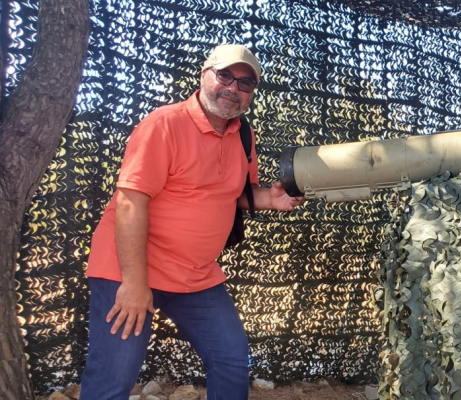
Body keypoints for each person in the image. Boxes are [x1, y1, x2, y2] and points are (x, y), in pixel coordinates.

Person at [79, 44, 303, 400]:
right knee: (114, 376)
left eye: (245, 83)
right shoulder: (164, 123)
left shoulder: (243, 133)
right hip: (129, 269)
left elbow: (236, 193)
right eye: (225, 75)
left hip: (195, 274)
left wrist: (269, 198)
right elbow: (130, 203)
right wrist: (135, 284)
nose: (233, 88)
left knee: (231, 359)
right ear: (204, 75)